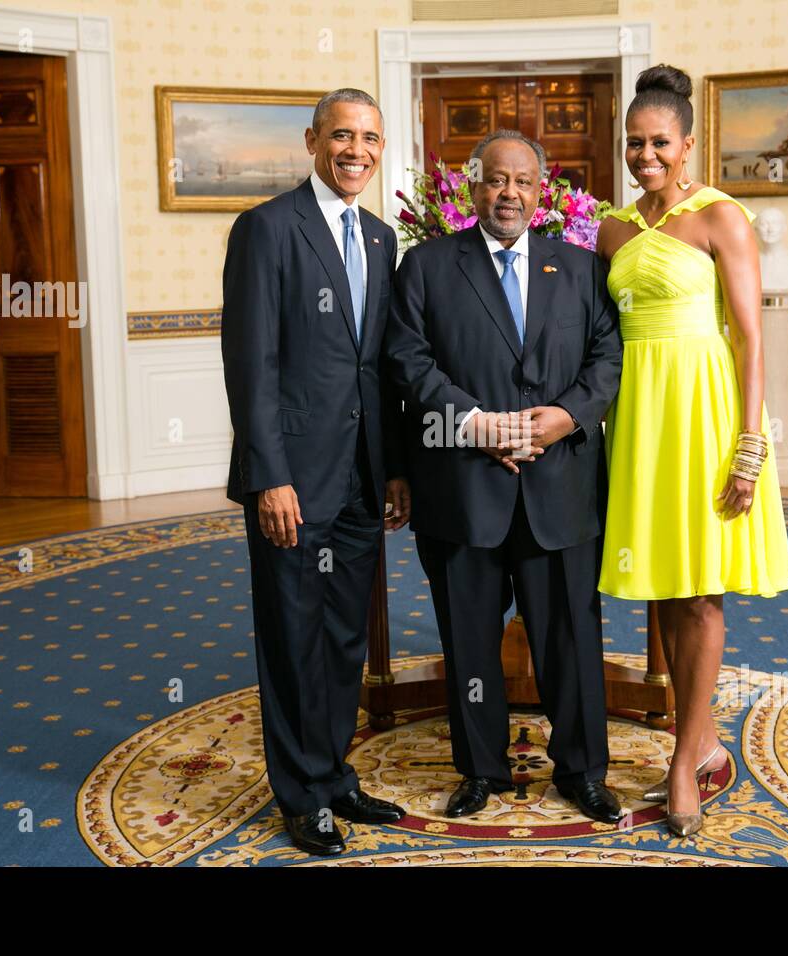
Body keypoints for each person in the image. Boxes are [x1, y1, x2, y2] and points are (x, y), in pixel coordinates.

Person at [386, 129, 625, 823]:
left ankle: (582, 769)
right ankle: (480, 769)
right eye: (496, 180)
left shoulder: (580, 268)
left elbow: (607, 359)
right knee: (468, 637)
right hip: (464, 486)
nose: (509, 193)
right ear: (473, 187)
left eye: (522, 181)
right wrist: (476, 423)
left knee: (572, 638)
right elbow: (408, 360)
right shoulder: (427, 267)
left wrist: (567, 417)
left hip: (561, 487)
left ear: (542, 190)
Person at [594, 65, 788, 837]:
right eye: (635, 143)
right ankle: (701, 733)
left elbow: (749, 339)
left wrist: (751, 444)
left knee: (703, 589)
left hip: (707, 415)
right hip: (639, 416)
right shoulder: (611, 228)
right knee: (663, 586)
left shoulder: (721, 218)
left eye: (660, 143)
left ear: (687, 144)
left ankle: (683, 760)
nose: (646, 155)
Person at [220, 88, 411, 857]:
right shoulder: (266, 228)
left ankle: (333, 776)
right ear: (311, 141)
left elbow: (382, 368)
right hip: (293, 479)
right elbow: (251, 363)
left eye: (368, 137)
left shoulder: (380, 236)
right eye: (341, 135)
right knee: (292, 636)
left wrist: (394, 468)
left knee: (342, 640)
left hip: (363, 477)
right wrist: (270, 477)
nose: (355, 150)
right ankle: (300, 795)